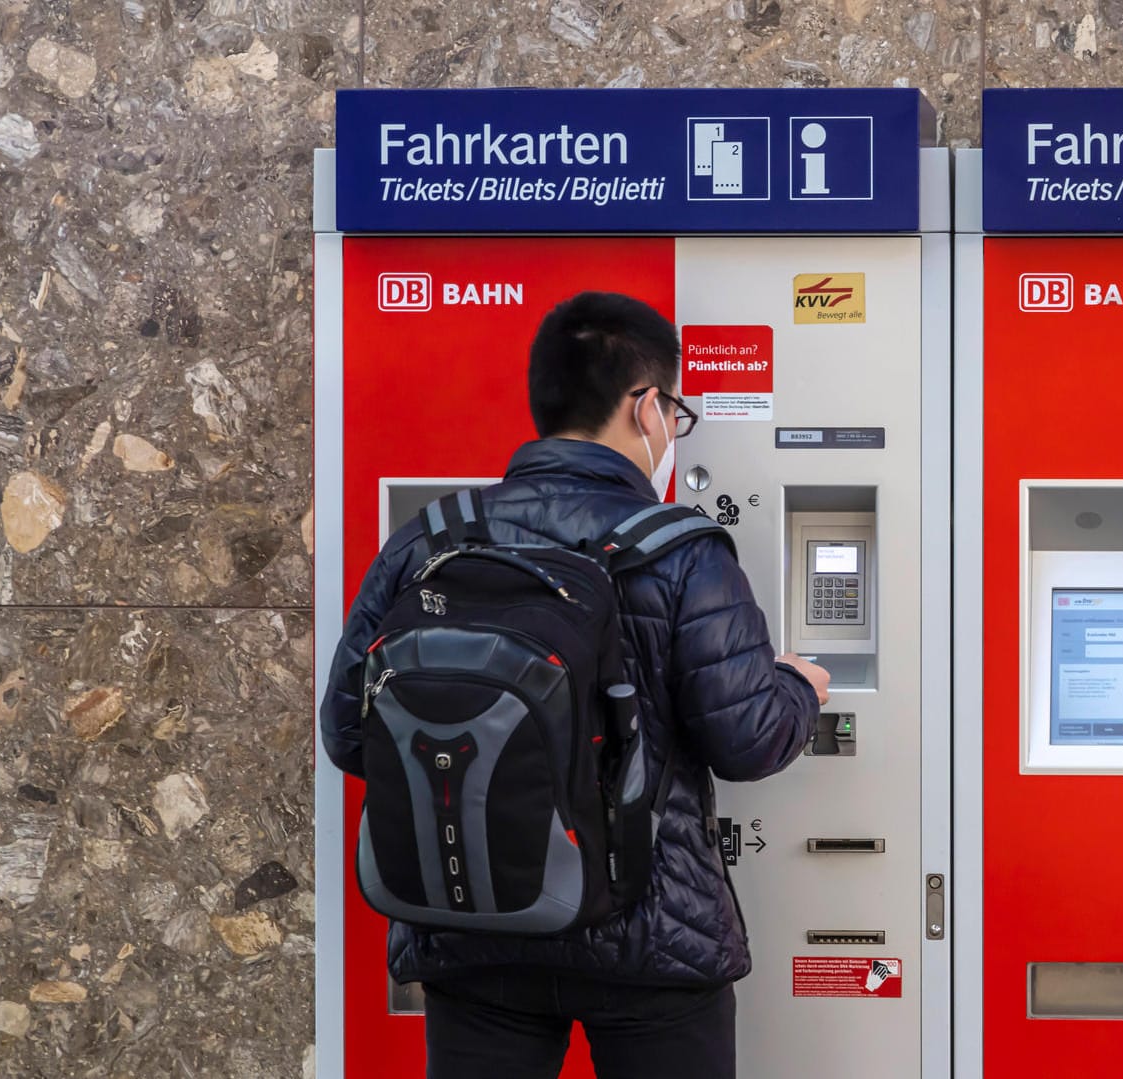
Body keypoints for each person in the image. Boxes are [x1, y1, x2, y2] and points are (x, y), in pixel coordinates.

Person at [319, 291, 830, 1078]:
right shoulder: (682, 552)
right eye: (675, 414)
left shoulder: (430, 537)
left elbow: (351, 733)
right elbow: (751, 739)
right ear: (647, 406)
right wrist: (796, 686)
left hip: (477, 924)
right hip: (652, 938)